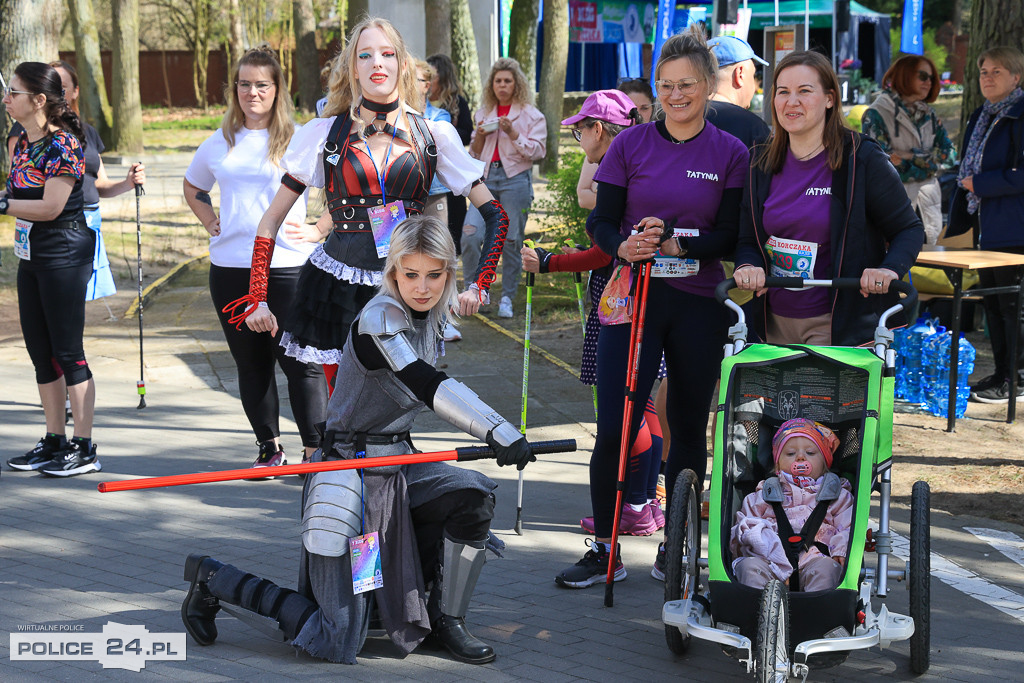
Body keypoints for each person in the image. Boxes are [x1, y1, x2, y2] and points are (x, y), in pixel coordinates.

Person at [180, 215, 534, 665]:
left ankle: (447, 620)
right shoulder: (378, 318)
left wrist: (500, 432)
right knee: (340, 635)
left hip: (399, 466)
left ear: (448, 274)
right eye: (410, 274)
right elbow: (424, 382)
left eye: (433, 275)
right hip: (351, 478)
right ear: (393, 273)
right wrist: (499, 432)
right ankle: (215, 579)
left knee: (470, 496)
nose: (421, 287)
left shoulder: (432, 313)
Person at [553, 27, 749, 588]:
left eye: (687, 85)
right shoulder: (629, 145)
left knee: (686, 426)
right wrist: (622, 245)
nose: (676, 95)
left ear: (709, 86)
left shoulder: (730, 153)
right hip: (634, 300)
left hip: (696, 302)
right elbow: (602, 220)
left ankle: (677, 544)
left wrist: (680, 244)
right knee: (614, 424)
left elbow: (733, 236)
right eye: (666, 86)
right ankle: (605, 547)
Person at [224, 17, 512, 394]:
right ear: (353, 69)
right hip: (336, 289)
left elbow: (497, 215)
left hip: (410, 288)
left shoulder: (433, 135)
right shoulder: (323, 134)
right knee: (343, 408)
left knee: (398, 407)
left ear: (402, 65)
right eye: (365, 55)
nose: (377, 62)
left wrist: (480, 283)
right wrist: (257, 297)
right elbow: (269, 223)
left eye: (387, 53)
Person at [521, 90, 663, 535]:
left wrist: (550, 263)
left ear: (598, 129)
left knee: (627, 409)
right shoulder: (640, 159)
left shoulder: (618, 171)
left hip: (627, 299)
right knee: (648, 406)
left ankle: (637, 506)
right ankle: (648, 501)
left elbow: (607, 253)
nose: (578, 137)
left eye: (580, 128)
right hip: (639, 293)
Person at [183, 46, 327, 472]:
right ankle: (269, 446)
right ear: (235, 89)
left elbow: (345, 189)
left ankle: (315, 451)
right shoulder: (219, 141)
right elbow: (193, 188)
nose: (252, 92)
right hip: (231, 271)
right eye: (244, 84)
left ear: (277, 88)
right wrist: (209, 218)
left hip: (287, 268)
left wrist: (320, 228)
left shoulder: (301, 139)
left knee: (301, 363)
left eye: (262, 84)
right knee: (252, 363)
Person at [734, 51, 924, 347]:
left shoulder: (862, 159)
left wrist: (889, 269)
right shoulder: (759, 161)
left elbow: (908, 229)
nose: (791, 101)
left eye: (804, 91)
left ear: (830, 99)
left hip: (840, 324)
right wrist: (748, 266)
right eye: (782, 92)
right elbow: (749, 240)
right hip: (771, 324)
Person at [2, 62, 100, 477]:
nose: (6, 98)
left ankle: (84, 446)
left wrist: (3, 204)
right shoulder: (23, 141)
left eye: (14, 92)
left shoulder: (65, 144)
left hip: (65, 249)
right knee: (41, 353)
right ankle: (55, 439)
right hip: (32, 254)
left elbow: (50, 206)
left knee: (68, 351)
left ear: (39, 100)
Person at [6, 61, 146, 304]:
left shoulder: (74, 137)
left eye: (61, 86)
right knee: (43, 335)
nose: (6, 98)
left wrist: (127, 183)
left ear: (72, 92)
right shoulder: (24, 139)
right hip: (37, 242)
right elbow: (18, 189)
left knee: (67, 330)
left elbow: (95, 186)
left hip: (73, 235)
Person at [946, 46, 1024, 404]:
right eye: (983, 72)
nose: (987, 78)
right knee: (993, 305)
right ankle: (1002, 373)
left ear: (1016, 77)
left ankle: (1017, 378)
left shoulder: (1020, 115)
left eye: (997, 72)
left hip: (1014, 228)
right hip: (986, 226)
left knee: (1013, 306)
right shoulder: (982, 114)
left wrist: (982, 184)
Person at [463, 57, 546, 319]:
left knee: (511, 240)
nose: (502, 85)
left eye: (507, 81)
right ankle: (474, 291)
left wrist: (513, 133)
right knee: (470, 236)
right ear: (492, 84)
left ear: (516, 83)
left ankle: (507, 296)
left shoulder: (532, 115)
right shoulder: (483, 114)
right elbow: (474, 154)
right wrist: (480, 136)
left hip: (515, 180)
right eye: (498, 81)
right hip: (485, 179)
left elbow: (539, 152)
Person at [730, 418, 853, 591]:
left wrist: (840, 549)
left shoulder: (838, 495)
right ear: (778, 464)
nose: (801, 457)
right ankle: (755, 613)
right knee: (749, 568)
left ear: (825, 463)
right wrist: (756, 538)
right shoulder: (763, 494)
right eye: (790, 454)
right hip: (769, 562)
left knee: (827, 570)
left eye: (810, 452)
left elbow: (848, 527)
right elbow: (745, 524)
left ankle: (818, 612)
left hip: (816, 558)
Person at [861, 54, 956, 244]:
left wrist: (909, 156)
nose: (928, 82)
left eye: (931, 78)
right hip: (893, 208)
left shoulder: (929, 114)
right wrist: (929, 167)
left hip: (928, 209)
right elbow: (883, 167)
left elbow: (950, 156)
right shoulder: (876, 114)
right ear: (905, 75)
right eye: (922, 76)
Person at [426, 53, 473, 256]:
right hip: (426, 177)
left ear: (442, 77)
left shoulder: (455, 103)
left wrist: (446, 133)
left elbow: (467, 134)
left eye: (431, 75)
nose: (427, 81)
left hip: (448, 175)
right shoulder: (412, 103)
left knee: (450, 236)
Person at [707, 35, 771, 149]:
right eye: (752, 75)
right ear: (740, 74)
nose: (755, 88)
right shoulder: (752, 128)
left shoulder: (679, 116)